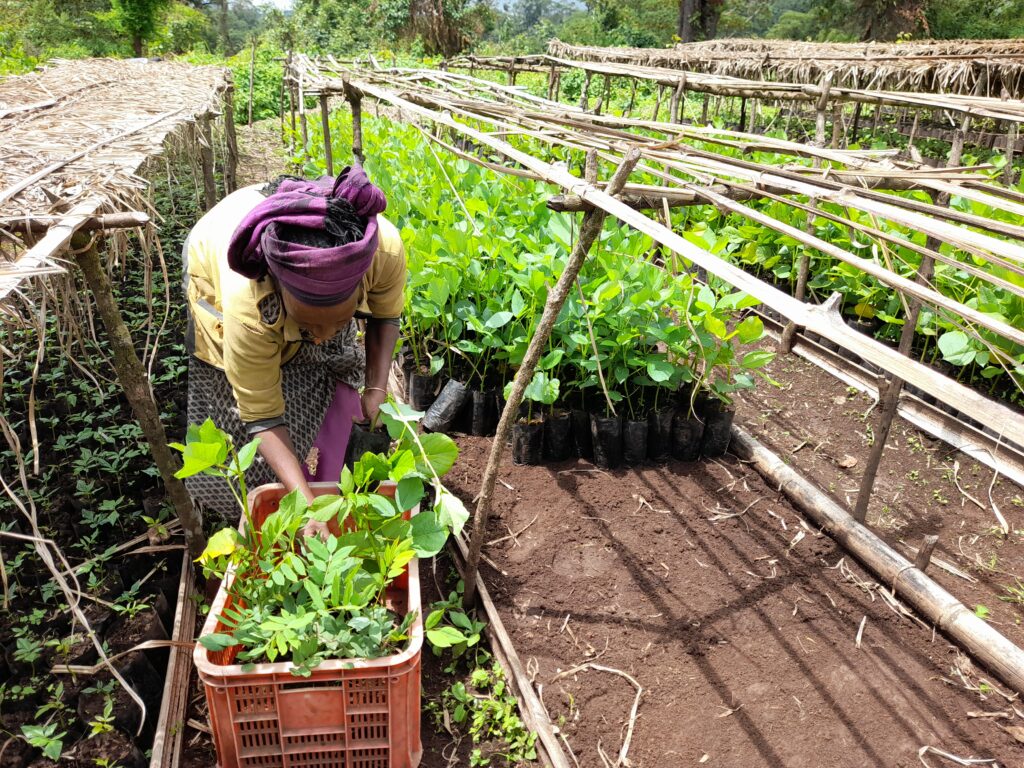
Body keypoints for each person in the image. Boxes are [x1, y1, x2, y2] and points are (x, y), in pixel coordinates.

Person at [182, 167, 405, 523]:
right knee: (244, 441)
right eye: (308, 324)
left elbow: (385, 316)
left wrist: (376, 389)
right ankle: (246, 509)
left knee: (328, 381)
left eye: (340, 321)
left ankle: (317, 475)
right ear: (279, 291)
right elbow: (261, 415)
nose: (321, 338)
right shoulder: (247, 303)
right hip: (214, 256)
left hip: (306, 292)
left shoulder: (382, 250)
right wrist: (306, 508)